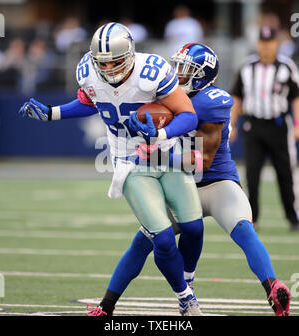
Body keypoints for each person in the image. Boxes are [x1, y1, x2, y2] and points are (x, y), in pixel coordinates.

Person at [19, 22, 204, 316]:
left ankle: (188, 280)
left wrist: (158, 136)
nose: (110, 69)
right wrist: (53, 113)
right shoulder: (88, 72)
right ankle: (185, 297)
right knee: (165, 240)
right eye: (103, 63)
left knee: (194, 228)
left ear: (130, 53)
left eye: (116, 61)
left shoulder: (151, 71)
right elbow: (91, 100)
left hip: (166, 154)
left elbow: (188, 115)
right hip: (129, 160)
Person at [91, 43, 291, 317]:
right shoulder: (166, 96)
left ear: (202, 75)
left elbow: (202, 162)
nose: (177, 72)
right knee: (143, 242)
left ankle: (273, 288)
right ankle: (106, 307)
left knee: (244, 230)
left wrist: (157, 154)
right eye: (178, 66)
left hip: (216, 183)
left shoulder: (211, 103)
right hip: (181, 186)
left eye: (186, 69)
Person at [230, 26, 299, 232]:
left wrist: (297, 124)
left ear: (276, 44)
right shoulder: (246, 67)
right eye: (263, 43)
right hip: (253, 126)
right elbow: (237, 97)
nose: (266, 47)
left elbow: (296, 98)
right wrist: (232, 125)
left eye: (270, 43)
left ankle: (293, 217)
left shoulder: (287, 67)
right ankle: (253, 217)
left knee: (285, 173)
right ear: (258, 44)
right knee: (252, 173)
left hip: (279, 125)